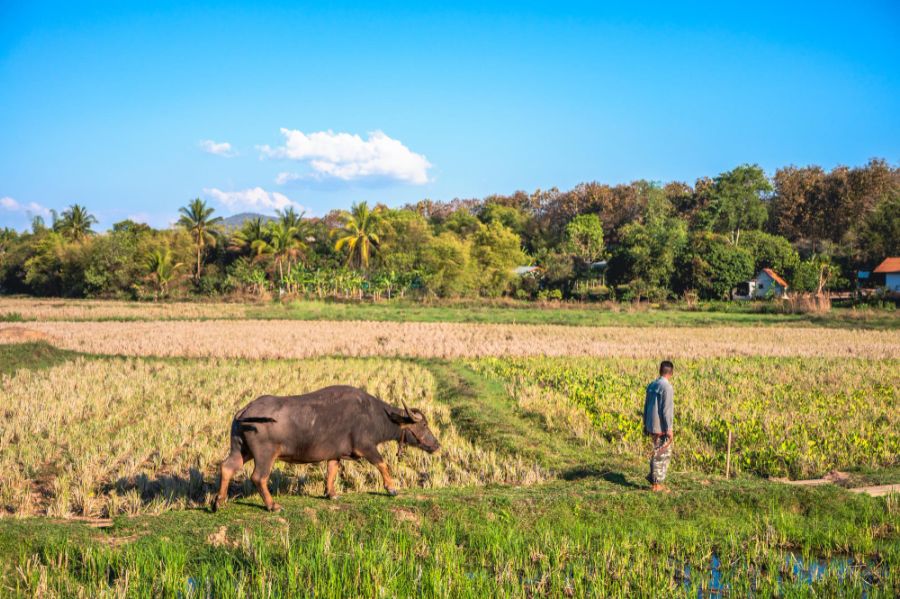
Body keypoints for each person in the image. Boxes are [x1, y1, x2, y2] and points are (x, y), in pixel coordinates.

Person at [643, 360, 674, 492]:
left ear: (660, 371)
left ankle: (653, 480)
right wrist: (669, 429)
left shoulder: (652, 385)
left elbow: (646, 406)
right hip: (661, 427)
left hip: (651, 425)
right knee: (662, 454)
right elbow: (667, 410)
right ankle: (657, 485)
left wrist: (645, 423)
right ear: (671, 373)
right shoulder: (667, 387)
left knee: (657, 452)